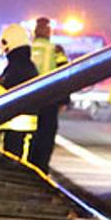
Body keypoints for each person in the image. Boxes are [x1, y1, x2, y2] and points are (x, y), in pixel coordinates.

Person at [0, 23, 39, 160]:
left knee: (13, 161)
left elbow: (3, 90)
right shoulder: (25, 64)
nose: (5, 51)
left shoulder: (17, 66)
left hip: (16, 125)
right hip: (19, 125)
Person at [27, 16, 69, 172]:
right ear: (49, 32)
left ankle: (28, 166)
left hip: (28, 101)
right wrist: (64, 100)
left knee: (29, 136)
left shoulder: (27, 49)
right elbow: (64, 74)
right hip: (49, 101)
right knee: (45, 138)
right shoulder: (56, 50)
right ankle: (41, 169)